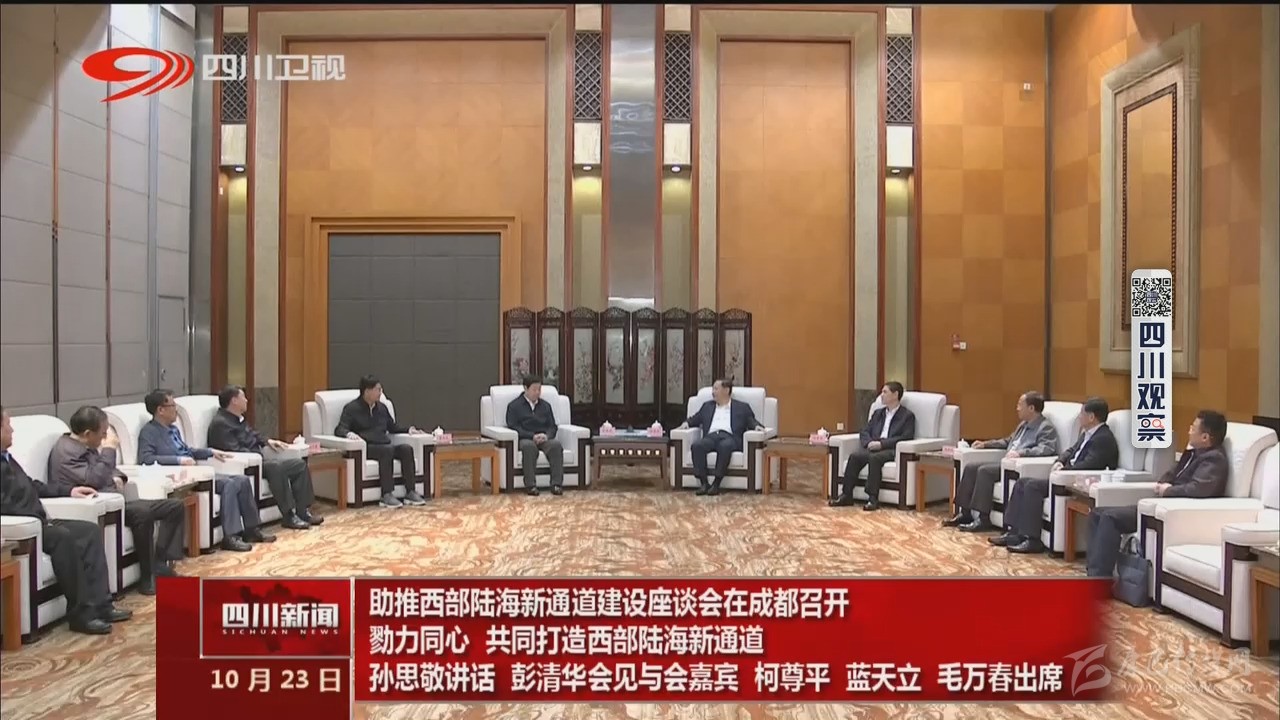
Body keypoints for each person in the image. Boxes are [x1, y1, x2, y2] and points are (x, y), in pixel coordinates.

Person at [0, 406, 132, 635]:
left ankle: (102, 604)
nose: (12, 430)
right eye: (7, 425)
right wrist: (33, 517)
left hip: (41, 521)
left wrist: (69, 491)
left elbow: (33, 485)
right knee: (64, 537)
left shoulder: (7, 458)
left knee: (89, 531)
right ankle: (80, 615)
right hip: (25, 526)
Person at [47, 405, 186, 595]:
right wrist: (109, 450)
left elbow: (111, 470)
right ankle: (148, 578)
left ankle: (159, 563)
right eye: (103, 434)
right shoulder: (66, 452)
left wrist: (118, 477)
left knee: (174, 506)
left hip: (117, 500)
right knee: (142, 513)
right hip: (100, 506)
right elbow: (94, 479)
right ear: (87, 434)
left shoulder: (86, 445)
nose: (105, 438)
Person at [1085, 410, 1230, 577]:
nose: (1189, 431)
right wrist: (1168, 478)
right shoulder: (1195, 453)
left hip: (1173, 512)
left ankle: (1099, 577)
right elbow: (1170, 474)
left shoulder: (1214, 459)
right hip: (1159, 505)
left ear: (1205, 437)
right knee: (1097, 513)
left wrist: (1168, 490)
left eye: (1193, 428)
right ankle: (1092, 572)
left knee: (1110, 517)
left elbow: (1197, 489)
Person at [137, 388, 274, 552]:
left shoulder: (173, 429)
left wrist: (210, 452)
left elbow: (187, 450)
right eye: (172, 406)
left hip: (197, 471)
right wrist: (178, 460)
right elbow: (146, 459)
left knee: (242, 480)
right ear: (161, 410)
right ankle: (231, 537)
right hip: (181, 478)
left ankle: (252, 529)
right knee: (229, 484)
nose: (176, 410)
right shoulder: (149, 432)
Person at [997, 396, 1120, 554]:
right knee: (1022, 482)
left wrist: (1064, 470)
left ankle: (1032, 539)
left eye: (1082, 414)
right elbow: (1071, 451)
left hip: (1074, 481)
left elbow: (1090, 464)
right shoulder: (1087, 433)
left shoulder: (1103, 438)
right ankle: (1013, 532)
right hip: (1065, 475)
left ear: (1091, 417)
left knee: (1032, 486)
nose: (1079, 417)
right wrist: (1060, 461)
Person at [207, 385, 321, 530]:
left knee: (298, 465)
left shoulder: (238, 419)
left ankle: (303, 511)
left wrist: (267, 441)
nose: (246, 400)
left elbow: (253, 434)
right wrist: (256, 455)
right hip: (246, 465)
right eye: (243, 397)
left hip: (260, 460)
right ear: (234, 401)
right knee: (275, 467)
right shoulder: (220, 424)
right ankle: (288, 515)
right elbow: (232, 450)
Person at [945, 391, 1060, 532]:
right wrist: (986, 444)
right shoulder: (1023, 425)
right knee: (971, 467)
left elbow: (1046, 448)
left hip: (1016, 466)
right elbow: (1008, 441)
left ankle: (983, 518)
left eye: (1020, 405)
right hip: (1005, 461)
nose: (1017, 408)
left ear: (1031, 408)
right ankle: (964, 513)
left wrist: (1021, 453)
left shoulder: (1045, 427)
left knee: (985, 471)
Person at [335, 375, 428, 508]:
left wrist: (409, 430)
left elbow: (392, 427)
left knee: (406, 449)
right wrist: (349, 434)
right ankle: (386, 494)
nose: (380, 392)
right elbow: (340, 429)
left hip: (384, 445)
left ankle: (411, 492)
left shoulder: (382, 408)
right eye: (377, 389)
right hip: (367, 447)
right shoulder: (351, 408)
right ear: (367, 391)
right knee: (387, 450)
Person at [829, 382, 915, 511]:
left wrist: (882, 444)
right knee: (855, 457)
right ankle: (846, 495)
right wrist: (868, 443)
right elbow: (864, 431)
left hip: (891, 449)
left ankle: (872, 498)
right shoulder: (878, 413)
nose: (881, 395)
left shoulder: (907, 416)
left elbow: (905, 437)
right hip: (873, 446)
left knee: (874, 459)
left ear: (895, 394)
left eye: (885, 392)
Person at [679, 378, 764, 496]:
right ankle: (704, 483)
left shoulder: (742, 407)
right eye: (713, 389)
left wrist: (756, 426)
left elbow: (750, 420)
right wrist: (686, 423)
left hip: (730, 437)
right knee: (697, 446)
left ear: (726, 390)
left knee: (725, 446)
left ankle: (716, 483)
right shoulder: (707, 406)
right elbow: (695, 419)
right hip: (711, 437)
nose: (713, 392)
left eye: (716, 389)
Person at [504, 375, 565, 496]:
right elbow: (513, 426)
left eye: (539, 389)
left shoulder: (545, 406)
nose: (537, 392)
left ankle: (556, 484)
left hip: (543, 437)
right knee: (529, 447)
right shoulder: (514, 406)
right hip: (526, 438)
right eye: (534, 389)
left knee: (556, 446)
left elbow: (553, 426)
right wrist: (532, 436)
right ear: (525, 389)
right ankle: (530, 485)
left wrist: (546, 436)